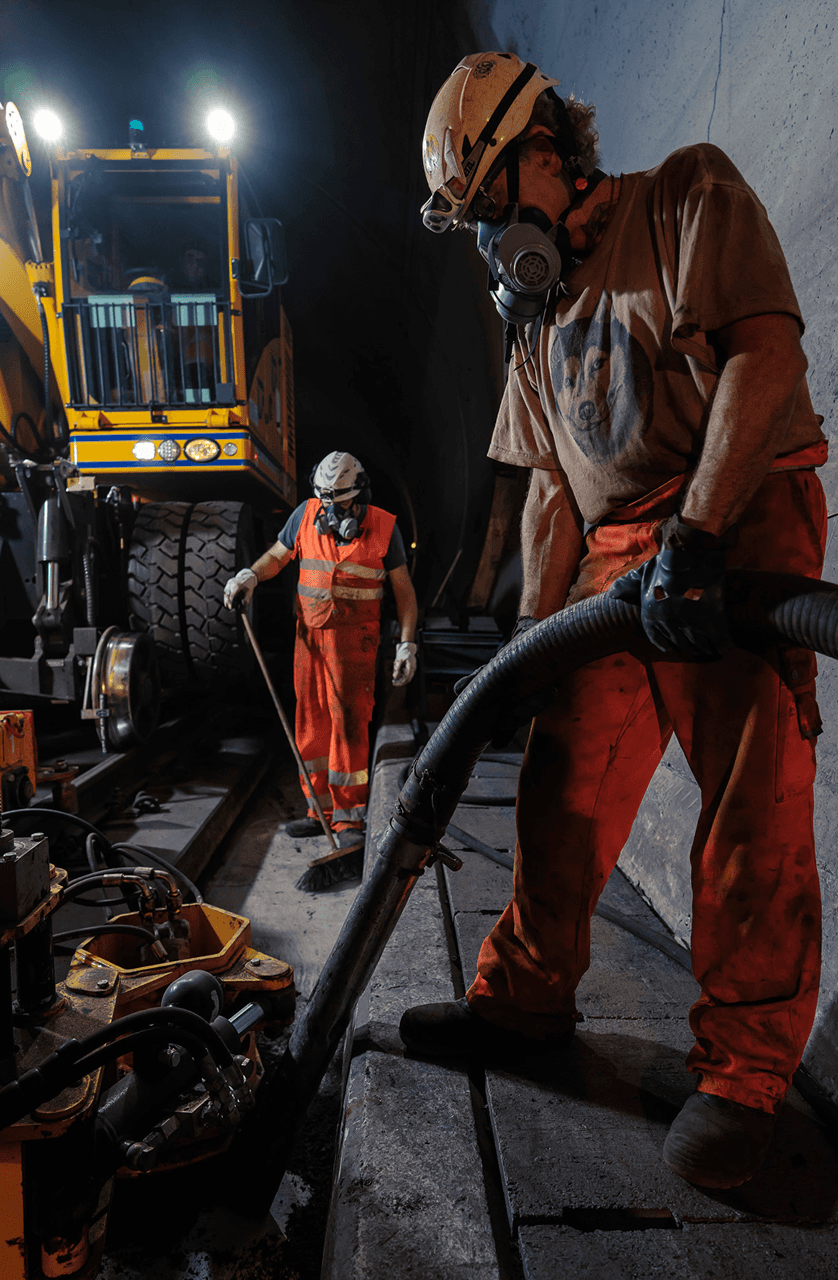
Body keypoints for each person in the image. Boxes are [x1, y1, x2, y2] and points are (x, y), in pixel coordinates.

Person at [399, 51, 828, 1191]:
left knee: (749, 800)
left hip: (733, 515)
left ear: (544, 152)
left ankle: (743, 1078)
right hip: (614, 553)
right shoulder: (535, 318)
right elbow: (548, 487)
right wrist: (531, 643)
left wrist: (696, 534)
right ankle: (524, 1000)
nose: (491, 239)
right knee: (561, 780)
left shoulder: (685, 196)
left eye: (489, 205)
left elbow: (763, 348)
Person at [224, 451, 418, 847]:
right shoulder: (305, 515)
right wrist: (250, 576)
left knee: (348, 726)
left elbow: (405, 595)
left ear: (358, 495)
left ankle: (349, 820)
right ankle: (320, 811)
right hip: (309, 639)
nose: (330, 510)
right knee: (310, 724)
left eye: (339, 502)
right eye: (326, 500)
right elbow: (278, 557)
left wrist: (407, 645)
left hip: (355, 644)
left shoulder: (384, 528)